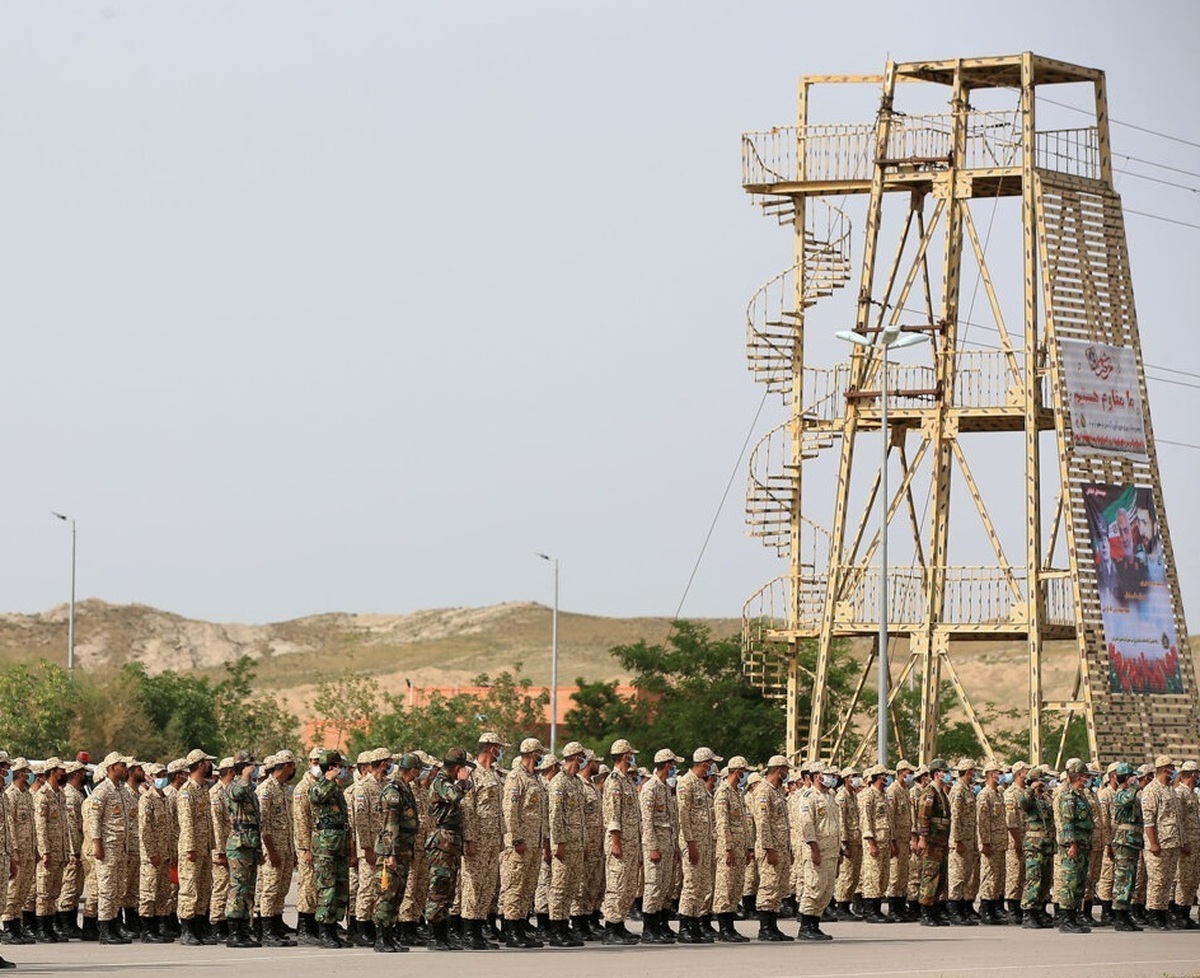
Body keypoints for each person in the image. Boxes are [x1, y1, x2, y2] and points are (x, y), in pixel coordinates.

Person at [424, 746, 474, 951]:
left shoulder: (450, 783)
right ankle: (435, 936)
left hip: (451, 841)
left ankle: (444, 935)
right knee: (438, 888)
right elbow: (454, 796)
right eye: (463, 768)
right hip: (441, 841)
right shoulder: (441, 783)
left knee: (449, 890)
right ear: (458, 767)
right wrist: (463, 781)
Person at [461, 733, 506, 949]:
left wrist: (502, 836)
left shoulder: (495, 775)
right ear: (490, 748)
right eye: (498, 747)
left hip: (492, 838)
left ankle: (479, 929)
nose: (500, 751)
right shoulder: (471, 775)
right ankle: (469, 932)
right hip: (477, 840)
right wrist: (469, 839)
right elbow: (468, 809)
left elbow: (499, 810)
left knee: (488, 885)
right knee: (473, 885)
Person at [372, 752, 419, 953]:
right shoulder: (393, 791)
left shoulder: (404, 788)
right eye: (418, 770)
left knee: (398, 894)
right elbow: (390, 824)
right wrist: (390, 853)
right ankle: (381, 938)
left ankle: (390, 936)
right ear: (412, 770)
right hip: (392, 851)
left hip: (403, 850)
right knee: (387, 894)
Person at [600, 739, 642, 945]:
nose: (632, 757)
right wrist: (615, 841)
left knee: (628, 885)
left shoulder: (626, 780)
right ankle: (610, 928)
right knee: (616, 884)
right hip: (620, 842)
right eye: (630, 754)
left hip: (632, 841)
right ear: (624, 756)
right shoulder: (614, 780)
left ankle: (620, 924)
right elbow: (613, 814)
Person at [547, 742, 589, 948]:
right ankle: (556, 929)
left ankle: (565, 925)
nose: (584, 760)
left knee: (571, 886)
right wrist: (559, 843)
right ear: (574, 757)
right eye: (581, 756)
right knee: (560, 886)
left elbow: (580, 816)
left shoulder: (577, 783)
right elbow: (555, 816)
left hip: (577, 842)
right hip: (564, 843)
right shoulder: (559, 782)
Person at [89, 753, 132, 945]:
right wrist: (97, 844)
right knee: (106, 888)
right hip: (107, 846)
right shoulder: (102, 791)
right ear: (112, 767)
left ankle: (114, 925)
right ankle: (105, 929)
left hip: (121, 846)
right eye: (122, 765)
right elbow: (94, 819)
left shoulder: (122, 791)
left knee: (118, 888)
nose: (125, 768)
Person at [639, 748, 681, 944]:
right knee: (653, 885)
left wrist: (673, 846)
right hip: (655, 845)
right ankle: (649, 929)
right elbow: (646, 820)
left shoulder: (665, 788)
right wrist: (652, 847)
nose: (674, 768)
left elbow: (670, 820)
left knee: (664, 887)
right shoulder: (651, 787)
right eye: (672, 764)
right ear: (666, 765)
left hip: (668, 843)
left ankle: (660, 926)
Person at [177, 748, 218, 945]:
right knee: (189, 887)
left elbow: (208, 821)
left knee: (203, 888)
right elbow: (186, 822)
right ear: (200, 765)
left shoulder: (203, 789)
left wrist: (211, 844)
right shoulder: (187, 791)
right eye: (208, 763)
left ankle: (199, 927)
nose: (210, 766)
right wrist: (190, 848)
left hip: (204, 847)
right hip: (191, 848)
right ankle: (187, 929)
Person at [678, 747, 720, 943]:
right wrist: (691, 843)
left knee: (702, 885)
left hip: (704, 842)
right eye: (710, 764)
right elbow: (683, 817)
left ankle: (695, 924)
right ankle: (685, 926)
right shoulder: (686, 783)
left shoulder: (699, 784)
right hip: (693, 842)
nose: (711, 768)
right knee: (692, 884)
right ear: (704, 764)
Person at [223, 752, 264, 949]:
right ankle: (234, 932)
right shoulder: (234, 785)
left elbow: (256, 821)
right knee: (238, 887)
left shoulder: (251, 789)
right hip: (239, 843)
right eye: (250, 766)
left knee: (248, 889)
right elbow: (236, 794)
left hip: (251, 842)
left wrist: (259, 848)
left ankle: (245, 929)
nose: (253, 769)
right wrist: (245, 777)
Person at [258, 750, 298, 947]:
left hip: (286, 847)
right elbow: (264, 825)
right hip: (272, 849)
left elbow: (289, 822)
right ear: (285, 766)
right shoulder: (266, 789)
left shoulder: (284, 789)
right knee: (270, 889)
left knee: (281, 889)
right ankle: (266, 930)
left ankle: (275, 925)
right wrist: (271, 851)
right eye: (292, 766)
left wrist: (293, 849)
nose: (294, 770)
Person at [796, 760, 839, 941]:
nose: (830, 778)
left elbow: (835, 825)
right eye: (826, 774)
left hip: (831, 852)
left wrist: (840, 850)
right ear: (816, 776)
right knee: (814, 888)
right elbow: (807, 825)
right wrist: (814, 848)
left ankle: (815, 924)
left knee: (826, 889)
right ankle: (806, 926)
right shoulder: (808, 797)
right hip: (817, 851)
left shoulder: (830, 797)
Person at [753, 755, 793, 942]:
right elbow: (762, 823)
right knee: (769, 885)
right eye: (786, 770)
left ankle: (773, 926)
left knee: (778, 886)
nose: (787, 773)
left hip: (781, 846)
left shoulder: (777, 791)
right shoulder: (763, 791)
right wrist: (769, 848)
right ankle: (765, 927)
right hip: (771, 848)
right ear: (779, 770)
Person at [712, 756, 751, 943]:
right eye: (744, 771)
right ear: (737, 771)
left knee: (735, 887)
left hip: (739, 847)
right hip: (728, 848)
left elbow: (742, 823)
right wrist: (728, 848)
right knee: (725, 887)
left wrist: (746, 847)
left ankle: (731, 926)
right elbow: (722, 823)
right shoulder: (723, 793)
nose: (746, 775)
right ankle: (724, 928)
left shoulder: (737, 792)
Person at [1141, 754, 1182, 930]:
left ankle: (1163, 912)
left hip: (1172, 842)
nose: (1174, 772)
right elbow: (1149, 820)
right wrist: (1153, 842)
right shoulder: (1152, 790)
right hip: (1159, 844)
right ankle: (1154, 915)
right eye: (1172, 768)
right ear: (1166, 769)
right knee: (1157, 880)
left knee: (1167, 880)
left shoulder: (1170, 790)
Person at [136, 763, 173, 943]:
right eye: (159, 775)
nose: (162, 778)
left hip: (165, 853)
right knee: (148, 892)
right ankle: (147, 929)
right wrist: (152, 853)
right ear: (149, 777)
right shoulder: (146, 799)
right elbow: (145, 830)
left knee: (162, 892)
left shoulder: (164, 798)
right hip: (152, 855)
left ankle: (159, 927)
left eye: (164, 774)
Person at [33, 758, 68, 942]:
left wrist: (67, 850)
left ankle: (50, 926)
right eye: (61, 770)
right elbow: (40, 826)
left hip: (60, 851)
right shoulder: (43, 795)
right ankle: (41, 928)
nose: (64, 774)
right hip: (48, 852)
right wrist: (45, 851)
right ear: (53, 772)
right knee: (44, 891)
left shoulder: (60, 795)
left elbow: (65, 825)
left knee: (54, 891)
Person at [916, 758, 952, 927]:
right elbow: (924, 817)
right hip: (932, 841)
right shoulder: (930, 793)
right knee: (930, 874)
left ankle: (934, 907)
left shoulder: (941, 793)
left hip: (941, 841)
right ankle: (926, 910)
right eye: (945, 772)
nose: (948, 775)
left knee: (940, 875)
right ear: (937, 774)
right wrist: (922, 838)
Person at [291, 747, 322, 945]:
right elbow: (301, 821)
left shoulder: (322, 786)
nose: (319, 766)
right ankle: (304, 927)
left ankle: (315, 926)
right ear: (309, 762)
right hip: (308, 846)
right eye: (316, 762)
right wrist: (305, 848)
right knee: (308, 886)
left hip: (322, 846)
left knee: (318, 887)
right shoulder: (303, 788)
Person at [1110, 762, 1144, 932]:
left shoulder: (1132, 793)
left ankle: (1125, 912)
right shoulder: (1121, 793)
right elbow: (1127, 801)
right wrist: (1133, 786)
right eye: (1132, 776)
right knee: (1123, 879)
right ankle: (1119, 915)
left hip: (1133, 841)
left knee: (1129, 879)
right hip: (1124, 841)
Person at [858, 764, 895, 924]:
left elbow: (888, 821)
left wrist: (892, 841)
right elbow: (866, 820)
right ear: (879, 777)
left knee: (882, 876)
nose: (886, 778)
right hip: (874, 842)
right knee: (872, 876)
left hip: (885, 842)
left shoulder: (883, 795)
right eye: (884, 775)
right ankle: (870, 911)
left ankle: (877, 909)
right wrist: (871, 842)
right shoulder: (868, 795)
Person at [1019, 767, 1055, 929]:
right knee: (1034, 878)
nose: (1044, 783)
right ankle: (1029, 912)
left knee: (1045, 880)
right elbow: (1023, 804)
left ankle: (1040, 909)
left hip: (1046, 845)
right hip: (1034, 846)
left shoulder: (1044, 799)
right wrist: (1031, 788)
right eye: (1041, 780)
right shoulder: (1029, 797)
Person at [976, 758, 1007, 925]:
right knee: (989, 876)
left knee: (997, 877)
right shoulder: (984, 795)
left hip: (1000, 842)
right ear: (989, 775)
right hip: (990, 843)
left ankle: (994, 908)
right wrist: (985, 843)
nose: (1000, 776)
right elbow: (983, 822)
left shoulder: (999, 793)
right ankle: (986, 909)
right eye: (998, 773)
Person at [58, 760, 87, 939]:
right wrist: (73, 851)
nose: (85, 776)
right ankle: (65, 924)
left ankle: (72, 923)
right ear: (76, 774)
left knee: (76, 888)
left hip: (79, 848)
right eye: (83, 772)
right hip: (72, 850)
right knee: (69, 888)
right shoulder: (69, 795)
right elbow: (71, 827)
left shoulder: (77, 794)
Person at [885, 759, 915, 922]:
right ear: (900, 773)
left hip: (905, 839)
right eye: (908, 773)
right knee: (895, 874)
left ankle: (901, 906)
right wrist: (893, 840)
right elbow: (890, 818)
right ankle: (893, 908)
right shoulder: (893, 791)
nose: (910, 776)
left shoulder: (905, 790)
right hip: (897, 839)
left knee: (904, 874)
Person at [1173, 760, 1199, 928]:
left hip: (1196, 841)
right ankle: (1180, 914)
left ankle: (1187, 913)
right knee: (1183, 879)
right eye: (1196, 773)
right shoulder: (1179, 794)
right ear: (1191, 774)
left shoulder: (1193, 794)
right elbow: (1179, 821)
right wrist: (1183, 842)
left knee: (1193, 880)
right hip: (1187, 842)